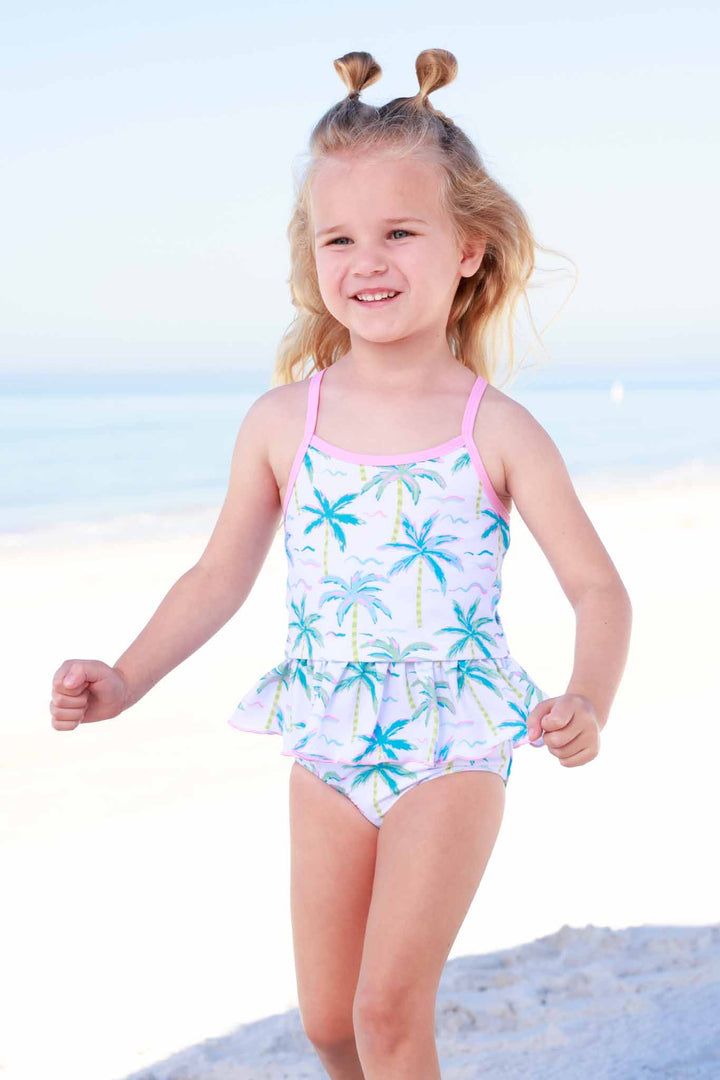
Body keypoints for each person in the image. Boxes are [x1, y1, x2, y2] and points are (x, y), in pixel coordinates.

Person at [50, 48, 632, 1080]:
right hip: (325, 734)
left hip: (451, 738)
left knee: (386, 1013)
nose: (368, 259)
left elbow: (597, 586)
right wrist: (127, 676)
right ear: (312, 257)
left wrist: (589, 696)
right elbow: (217, 576)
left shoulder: (496, 428)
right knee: (327, 1022)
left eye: (400, 232)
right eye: (340, 238)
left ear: (468, 249)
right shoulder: (285, 421)